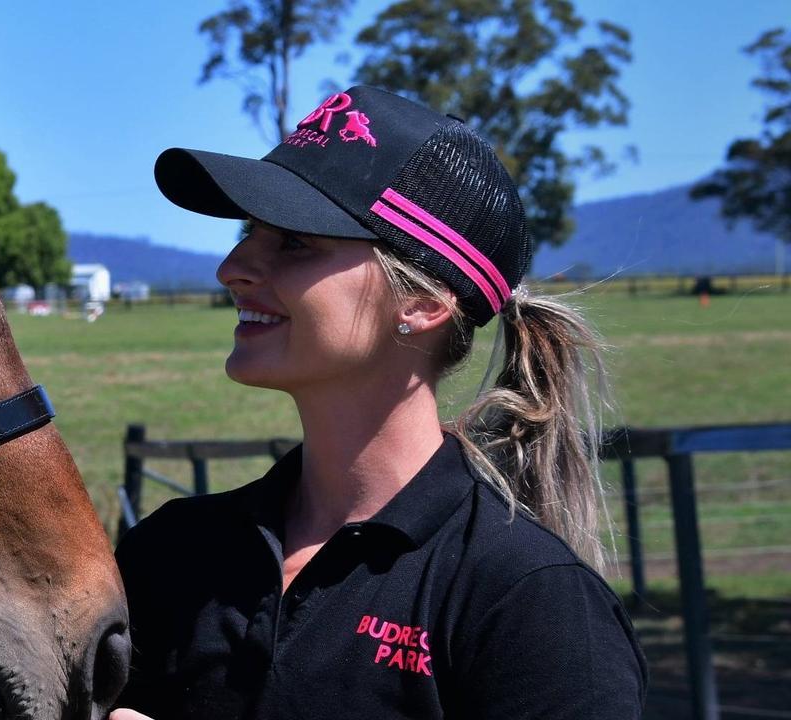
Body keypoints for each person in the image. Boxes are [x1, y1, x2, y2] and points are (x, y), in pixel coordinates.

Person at [109, 85, 647, 720]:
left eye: (294, 242)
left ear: (422, 304)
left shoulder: (528, 603)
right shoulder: (170, 554)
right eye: (250, 231)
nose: (233, 266)